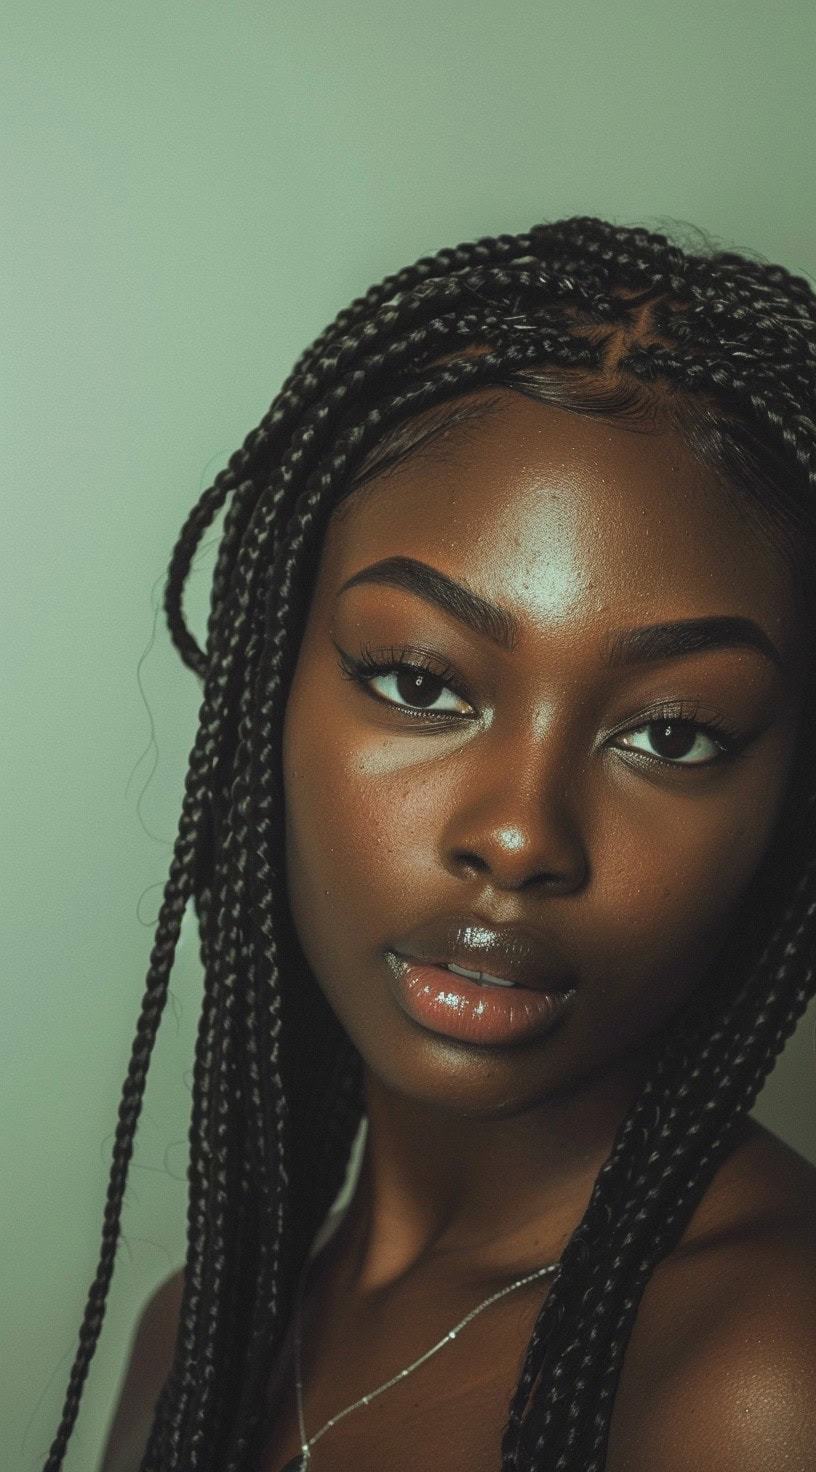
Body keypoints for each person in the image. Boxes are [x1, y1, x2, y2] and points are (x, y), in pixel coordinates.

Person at [46, 217, 816, 1472]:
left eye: (674, 736)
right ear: (267, 692)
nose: (518, 835)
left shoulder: (768, 1373)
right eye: (417, 682)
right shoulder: (195, 1334)